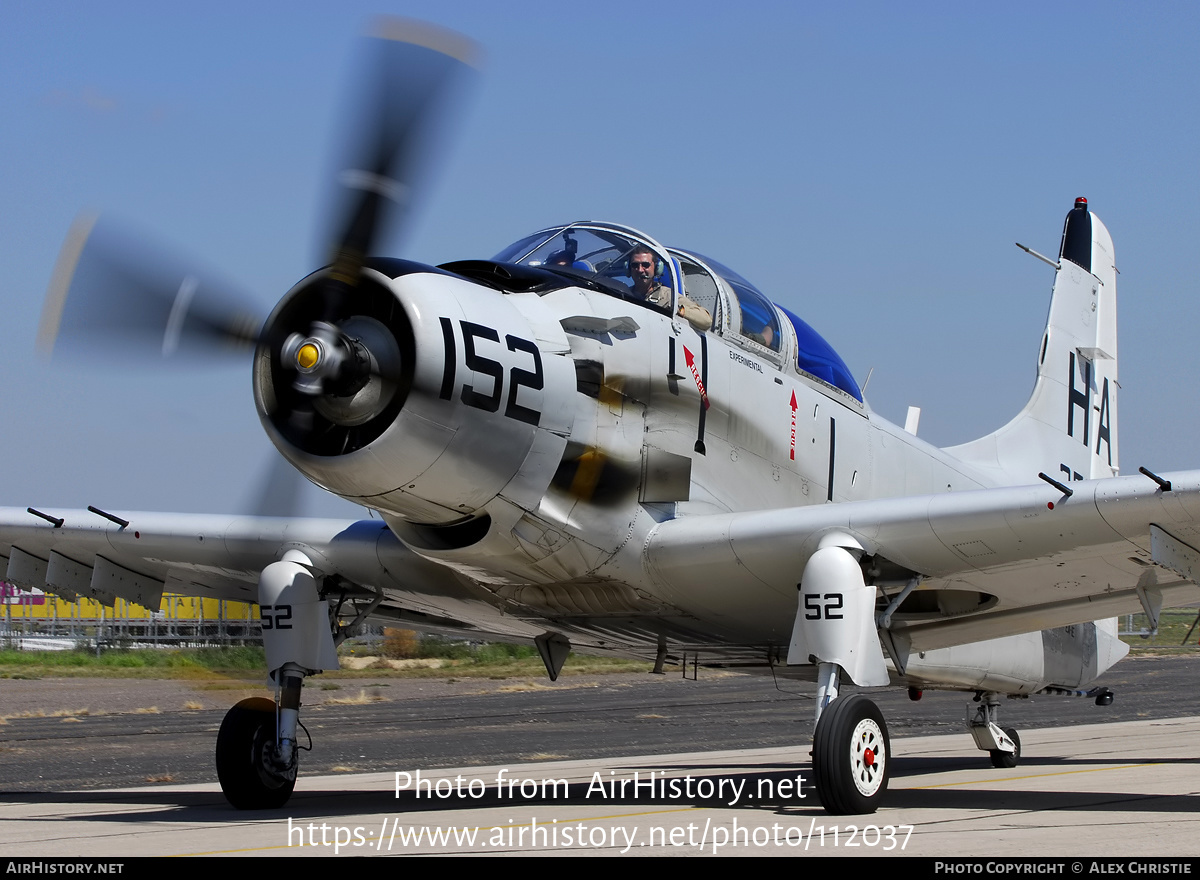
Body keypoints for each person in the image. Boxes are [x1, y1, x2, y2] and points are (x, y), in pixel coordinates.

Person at [627, 244, 711, 331]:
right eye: (635, 265)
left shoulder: (668, 296)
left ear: (656, 268)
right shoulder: (625, 294)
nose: (640, 270)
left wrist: (677, 309)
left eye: (645, 265)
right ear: (629, 269)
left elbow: (706, 320)